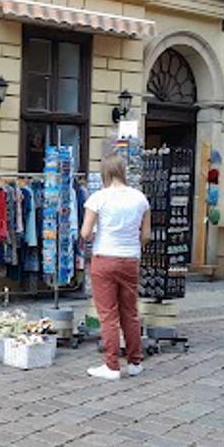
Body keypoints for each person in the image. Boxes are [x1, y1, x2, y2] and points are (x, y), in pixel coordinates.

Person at [80, 154, 150, 380]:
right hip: (130, 259)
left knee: (108, 314)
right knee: (130, 312)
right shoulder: (140, 199)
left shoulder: (98, 198)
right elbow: (146, 235)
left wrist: (96, 235)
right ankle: (135, 362)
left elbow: (85, 232)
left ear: (105, 173)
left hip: (105, 257)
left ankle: (111, 365)